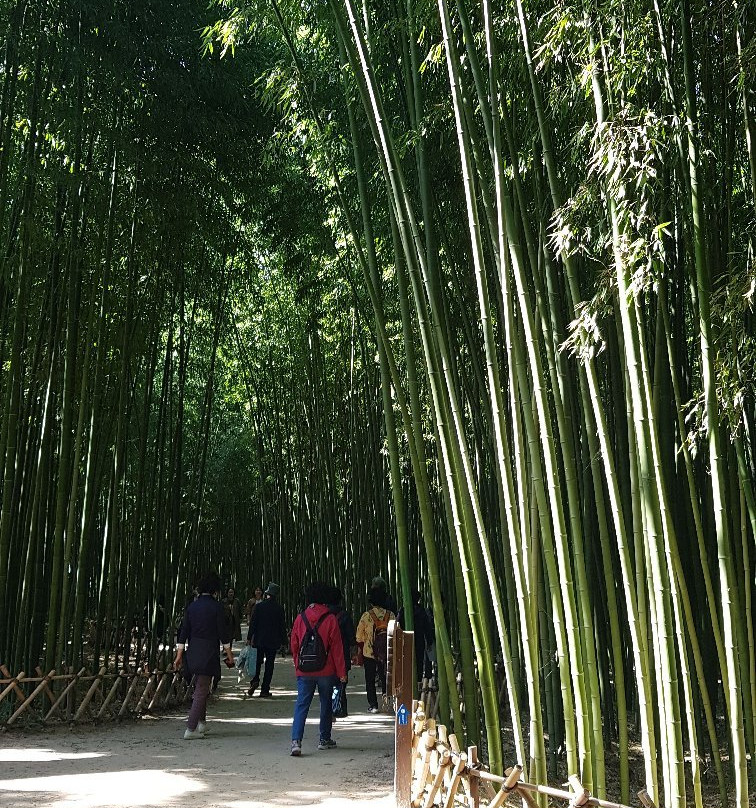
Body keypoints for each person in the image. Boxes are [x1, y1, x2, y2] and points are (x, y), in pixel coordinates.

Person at [289, 582, 347, 756]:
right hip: (326, 670)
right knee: (326, 703)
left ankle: (296, 741)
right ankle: (324, 739)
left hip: (305, 670)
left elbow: (294, 643)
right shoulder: (330, 619)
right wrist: (342, 672)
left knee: (302, 704)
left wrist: (297, 663)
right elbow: (337, 648)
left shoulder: (301, 618)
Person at [173, 571, 233, 739]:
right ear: (215, 589)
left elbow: (183, 632)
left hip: (193, 651)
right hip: (209, 651)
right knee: (201, 690)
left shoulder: (192, 607)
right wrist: (230, 655)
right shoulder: (217, 607)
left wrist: (179, 655)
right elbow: (223, 634)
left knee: (200, 687)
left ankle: (201, 724)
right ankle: (190, 729)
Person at [356, 590, 396, 713]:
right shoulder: (391, 615)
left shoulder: (366, 616)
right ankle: (387, 702)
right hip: (387, 652)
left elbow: (359, 637)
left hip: (370, 652)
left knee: (370, 679)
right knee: (386, 677)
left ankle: (373, 705)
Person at [246, 581, 286, 697]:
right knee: (269, 665)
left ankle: (255, 680)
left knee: (257, 662)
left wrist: (249, 638)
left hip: (259, 639)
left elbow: (253, 623)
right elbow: (282, 627)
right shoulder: (279, 608)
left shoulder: (259, 607)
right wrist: (284, 642)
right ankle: (265, 689)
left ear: (267, 594)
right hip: (273, 641)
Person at [327, 586, 356, 718]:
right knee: (341, 682)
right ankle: (339, 707)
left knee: (328, 682)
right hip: (342, 654)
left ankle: (331, 707)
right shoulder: (344, 616)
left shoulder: (324, 615)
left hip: (327, 655)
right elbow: (351, 638)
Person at [397, 589, 435, 683]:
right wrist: (429, 641)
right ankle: (417, 682)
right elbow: (427, 627)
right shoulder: (421, 611)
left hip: (406, 640)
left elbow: (398, 625)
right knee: (418, 662)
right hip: (419, 641)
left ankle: (408, 682)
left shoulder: (403, 610)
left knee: (407, 662)